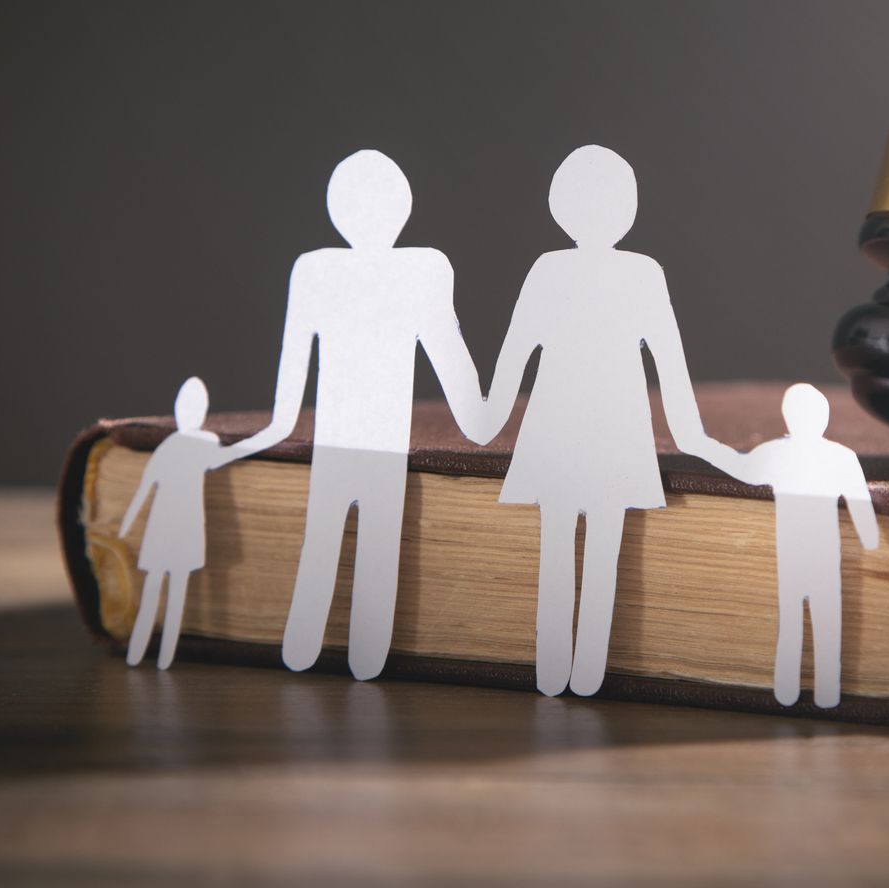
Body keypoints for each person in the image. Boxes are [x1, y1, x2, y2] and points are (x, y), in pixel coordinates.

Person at [471, 145, 734, 697]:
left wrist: (483, 421)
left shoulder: (551, 270)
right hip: (612, 435)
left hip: (562, 430)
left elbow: (513, 360)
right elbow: (671, 366)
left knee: (559, 546)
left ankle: (560, 670)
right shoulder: (641, 273)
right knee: (601, 551)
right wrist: (698, 440)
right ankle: (582, 669)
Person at [226, 150, 485, 680]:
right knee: (371, 548)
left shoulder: (317, 270)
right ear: (404, 207)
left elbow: (289, 390)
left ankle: (308, 647)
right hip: (375, 444)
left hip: (345, 443)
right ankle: (358, 658)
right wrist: (484, 419)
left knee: (323, 542)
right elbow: (452, 363)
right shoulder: (419, 270)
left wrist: (258, 440)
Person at [715, 383, 879, 708]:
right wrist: (870, 537)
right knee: (823, 623)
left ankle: (788, 691)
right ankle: (825, 693)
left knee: (791, 623)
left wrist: (703, 447)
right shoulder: (840, 456)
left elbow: (738, 466)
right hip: (821, 556)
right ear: (824, 417)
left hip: (793, 555)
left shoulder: (777, 453)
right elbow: (860, 503)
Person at [118, 376, 244, 670]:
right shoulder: (175, 445)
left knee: (174, 590)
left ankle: (161, 656)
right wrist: (126, 522)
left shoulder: (199, 442)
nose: (191, 415)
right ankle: (141, 651)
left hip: (182, 526)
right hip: (169, 525)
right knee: (159, 588)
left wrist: (253, 445)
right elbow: (145, 487)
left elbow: (223, 457)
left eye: (196, 408)